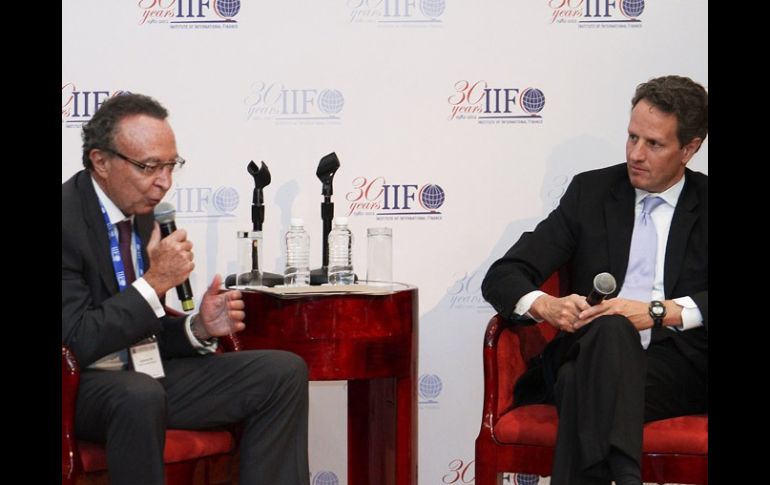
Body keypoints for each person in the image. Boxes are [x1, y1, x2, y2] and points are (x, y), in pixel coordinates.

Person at [62, 93, 310, 485]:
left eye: (170, 165)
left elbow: (144, 330)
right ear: (101, 161)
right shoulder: (66, 221)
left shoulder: (143, 215)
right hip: (79, 388)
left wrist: (197, 328)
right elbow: (76, 340)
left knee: (282, 373)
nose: (164, 182)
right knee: (138, 394)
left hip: (145, 376)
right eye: (149, 167)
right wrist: (156, 281)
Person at [481, 75, 708, 485]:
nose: (635, 154)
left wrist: (659, 312)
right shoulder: (592, 192)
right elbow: (503, 274)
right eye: (632, 137)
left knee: (576, 383)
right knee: (610, 329)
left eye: (654, 144)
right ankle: (626, 474)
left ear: (689, 149)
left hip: (676, 368)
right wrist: (547, 305)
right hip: (589, 346)